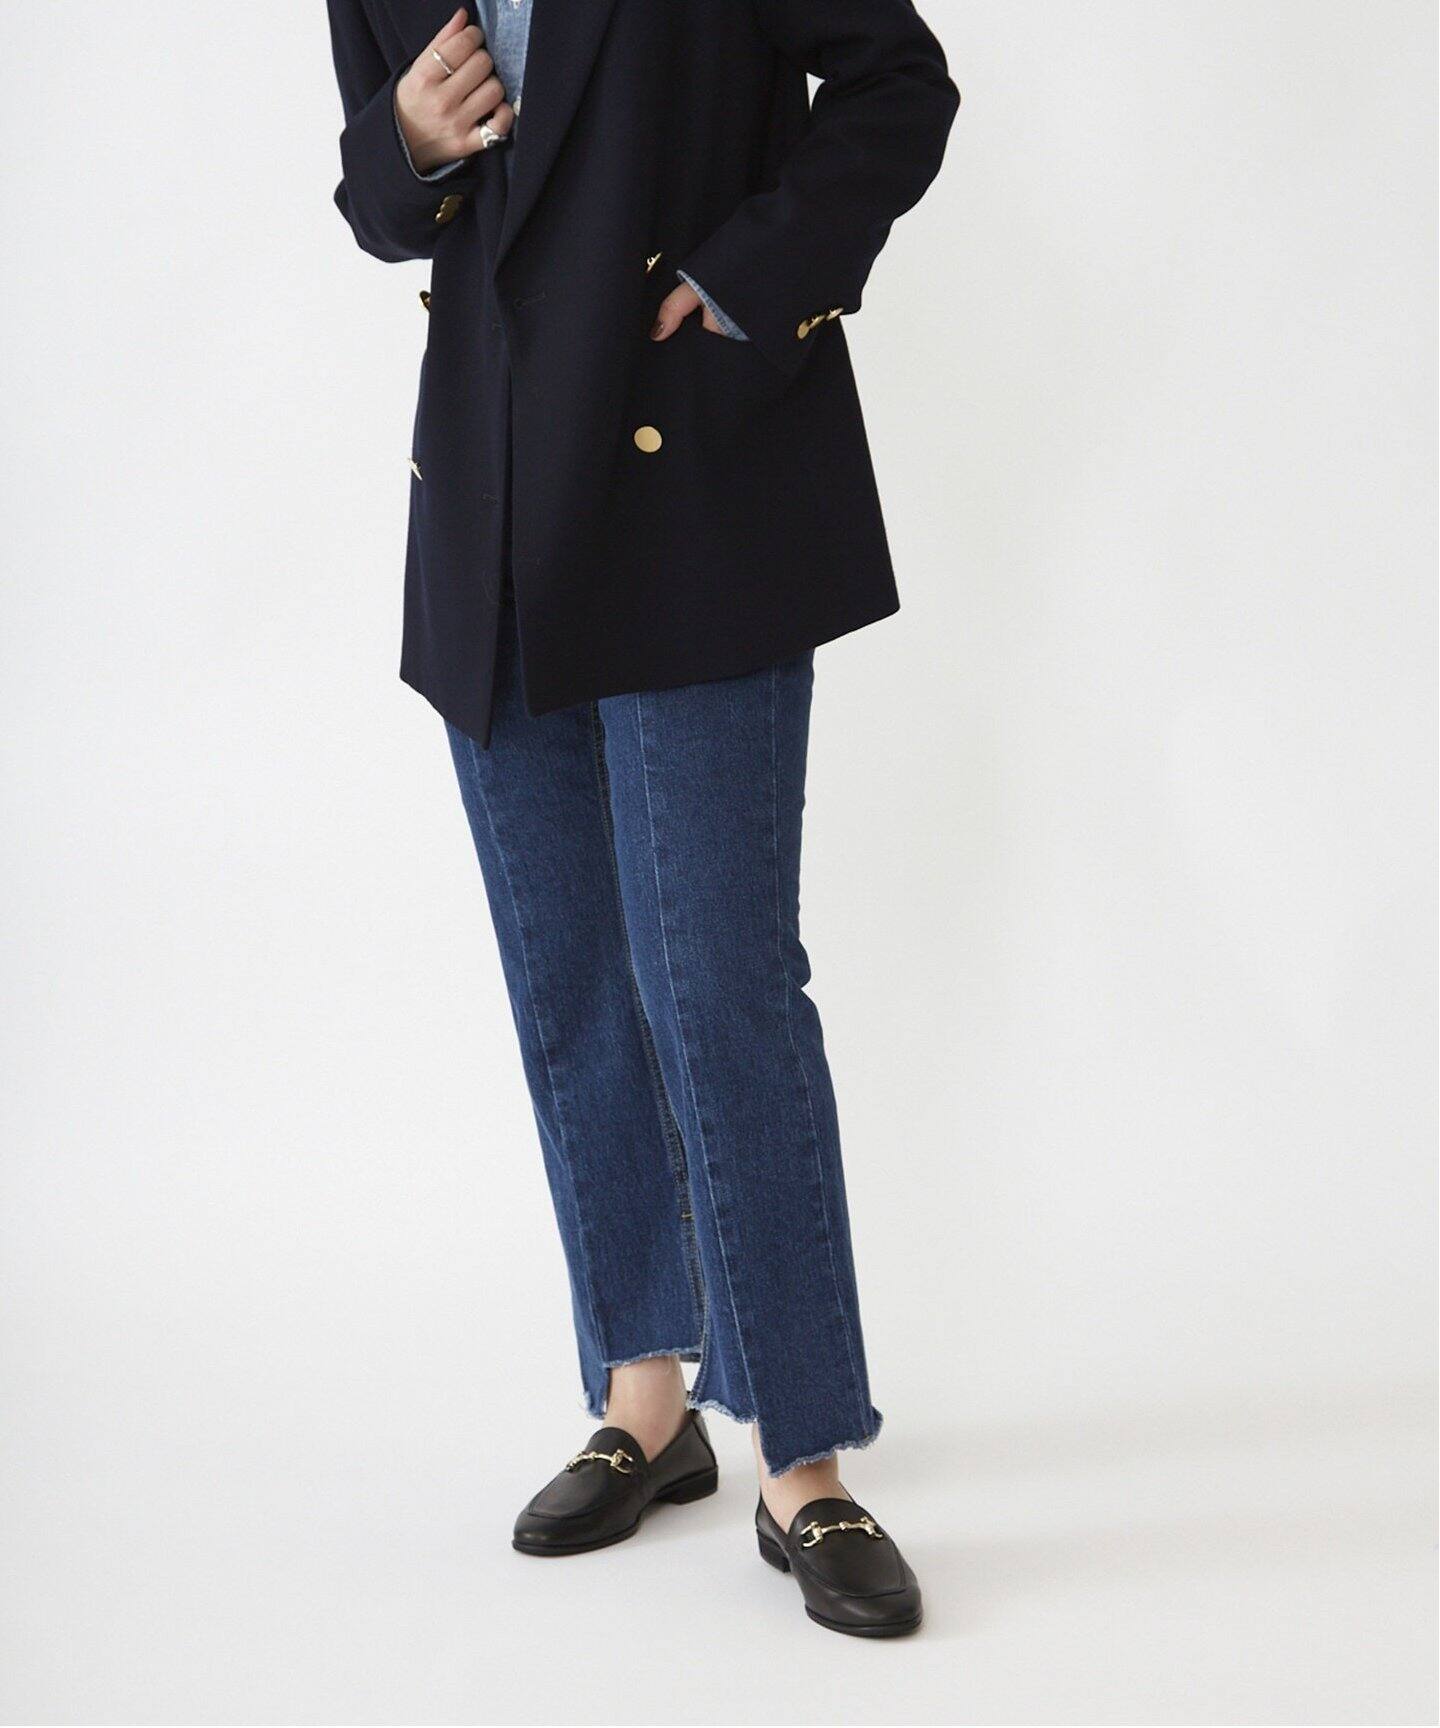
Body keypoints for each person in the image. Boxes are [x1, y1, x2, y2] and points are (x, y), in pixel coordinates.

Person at [325, 0, 957, 1638]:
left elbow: (898, 82)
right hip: (494, 498)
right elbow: (381, 203)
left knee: (718, 987)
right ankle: (645, 1395)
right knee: (576, 992)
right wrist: (407, 142)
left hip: (696, 488)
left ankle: (802, 1459)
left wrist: (752, 278)